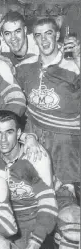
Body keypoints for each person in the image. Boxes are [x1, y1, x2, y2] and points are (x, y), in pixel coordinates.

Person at [0, 110, 59, 249]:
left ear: (18, 133)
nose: (3, 140)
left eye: (9, 132)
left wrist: (35, 243)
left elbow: (48, 204)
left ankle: (50, 245)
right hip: (5, 221)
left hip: (34, 220)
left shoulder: (36, 156)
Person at [16, 17, 80, 185]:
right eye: (38, 35)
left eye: (48, 33)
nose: (44, 40)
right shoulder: (24, 67)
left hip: (68, 144)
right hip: (35, 141)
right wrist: (27, 136)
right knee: (37, 192)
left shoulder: (74, 66)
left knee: (69, 195)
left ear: (57, 35)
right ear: (34, 39)